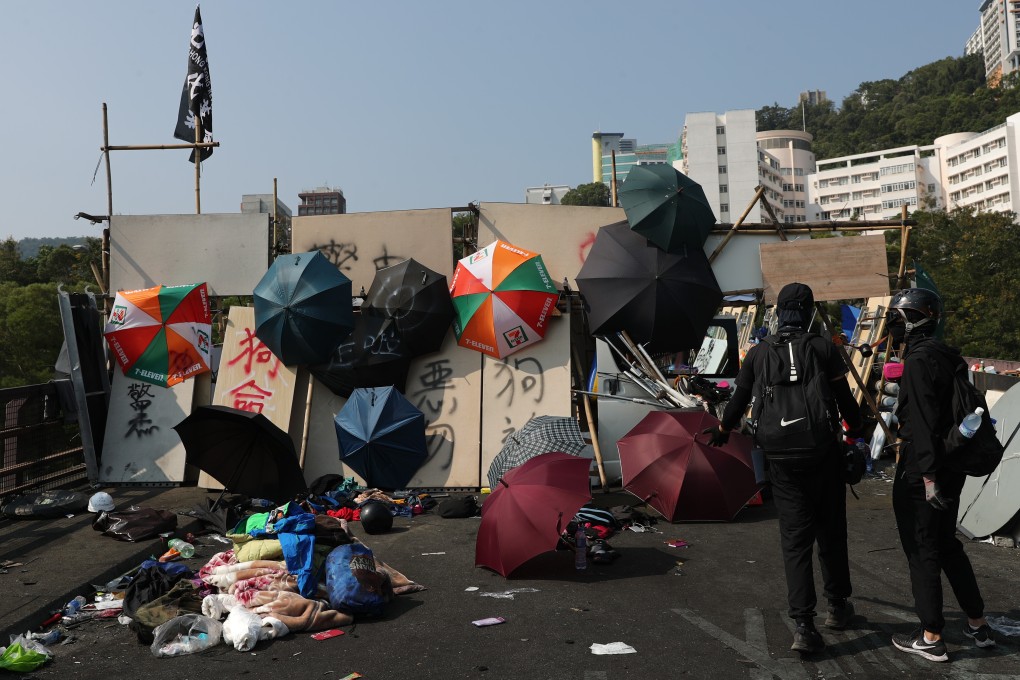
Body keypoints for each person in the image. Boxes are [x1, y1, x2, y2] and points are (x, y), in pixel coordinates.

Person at [704, 282, 863, 654]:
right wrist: (856, 432)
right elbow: (845, 402)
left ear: (779, 313)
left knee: (795, 540)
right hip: (822, 454)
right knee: (831, 533)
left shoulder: (758, 353)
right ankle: (837, 607)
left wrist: (725, 430)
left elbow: (739, 399)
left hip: (779, 458)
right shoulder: (823, 348)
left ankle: (804, 627)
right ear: (808, 312)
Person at [885, 288, 994, 662]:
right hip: (953, 465)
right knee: (947, 544)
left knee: (923, 551)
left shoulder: (918, 361)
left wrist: (928, 478)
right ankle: (978, 624)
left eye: (896, 319)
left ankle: (931, 636)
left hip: (924, 471)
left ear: (912, 319)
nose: (892, 326)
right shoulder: (949, 356)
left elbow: (924, 424)